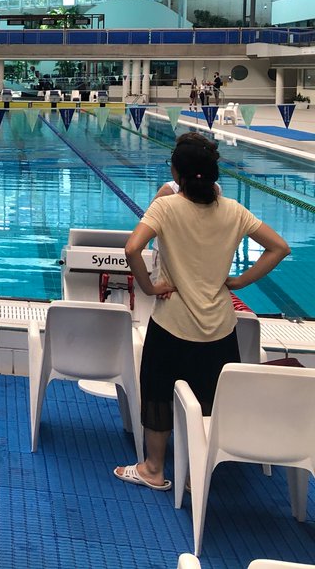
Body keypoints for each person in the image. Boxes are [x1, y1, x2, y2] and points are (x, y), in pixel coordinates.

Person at [114, 135, 290, 492]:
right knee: (209, 400)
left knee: (159, 394)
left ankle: (153, 469)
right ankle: (197, 475)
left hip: (171, 322)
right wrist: (238, 281)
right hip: (219, 327)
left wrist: (149, 288)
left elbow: (132, 248)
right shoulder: (234, 211)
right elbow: (279, 247)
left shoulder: (166, 207)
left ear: (176, 174)